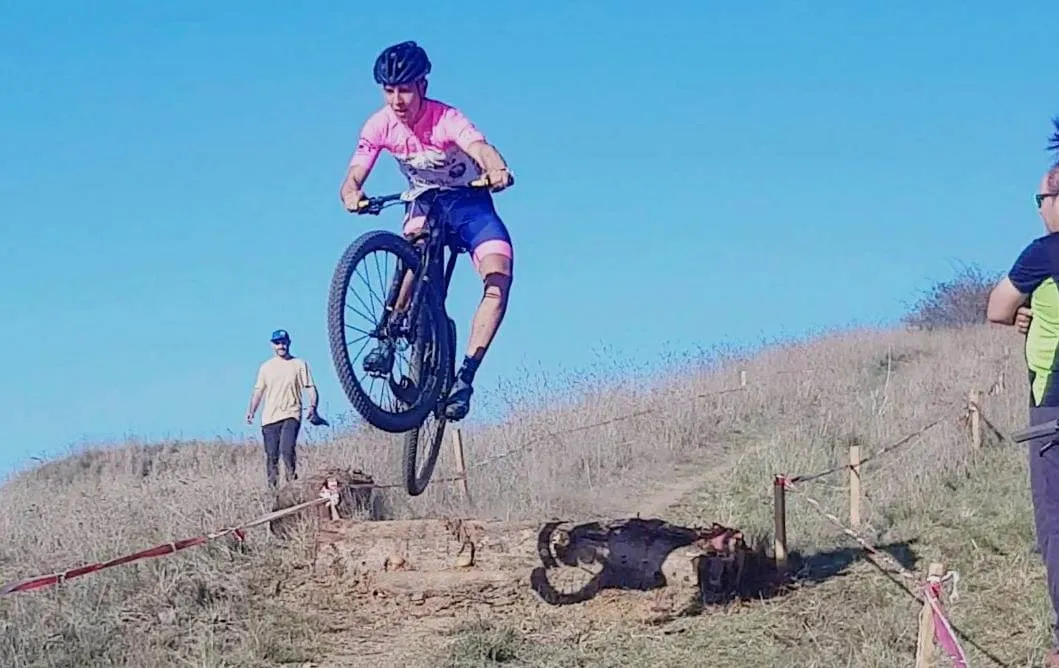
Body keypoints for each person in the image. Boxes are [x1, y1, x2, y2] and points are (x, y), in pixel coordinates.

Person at [337, 40, 514, 422]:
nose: (397, 99)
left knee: (498, 277)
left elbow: (481, 148)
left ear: (423, 86)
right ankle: (391, 331)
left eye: (404, 88)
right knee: (413, 252)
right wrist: (351, 192)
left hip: (469, 202)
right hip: (424, 201)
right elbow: (356, 170)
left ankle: (465, 377)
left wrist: (497, 169)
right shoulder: (378, 124)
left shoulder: (446, 117)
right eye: (389, 90)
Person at [986, 119, 1059, 665]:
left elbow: (997, 307)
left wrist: (1022, 313)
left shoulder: (1047, 252)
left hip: (1054, 409)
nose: (1038, 207)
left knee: (1056, 521)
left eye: (1042, 196)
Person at [245, 329, 324, 489]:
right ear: (272, 345)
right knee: (272, 456)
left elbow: (310, 387)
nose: (281, 346)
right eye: (277, 343)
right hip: (269, 418)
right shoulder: (266, 367)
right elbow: (258, 391)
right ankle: (273, 494)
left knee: (287, 451)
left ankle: (292, 488)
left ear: (289, 343)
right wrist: (251, 410)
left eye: (283, 342)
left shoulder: (299, 364)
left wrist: (313, 406)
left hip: (291, 414)